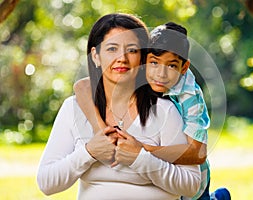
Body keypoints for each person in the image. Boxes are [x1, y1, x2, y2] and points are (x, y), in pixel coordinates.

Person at [37, 13, 202, 200]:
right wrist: (89, 152)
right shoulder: (73, 109)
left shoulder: (165, 111)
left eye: (132, 50)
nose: (122, 58)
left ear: (142, 59)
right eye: (112, 49)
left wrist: (140, 158)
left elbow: (191, 185)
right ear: (95, 56)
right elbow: (46, 183)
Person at [74, 22, 230, 200]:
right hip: (159, 175)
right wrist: (101, 131)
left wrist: (141, 150)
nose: (161, 74)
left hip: (192, 180)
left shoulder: (189, 95)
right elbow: (82, 86)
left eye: (171, 66)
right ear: (144, 60)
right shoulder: (138, 72)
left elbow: (198, 153)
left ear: (184, 68)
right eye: (154, 62)